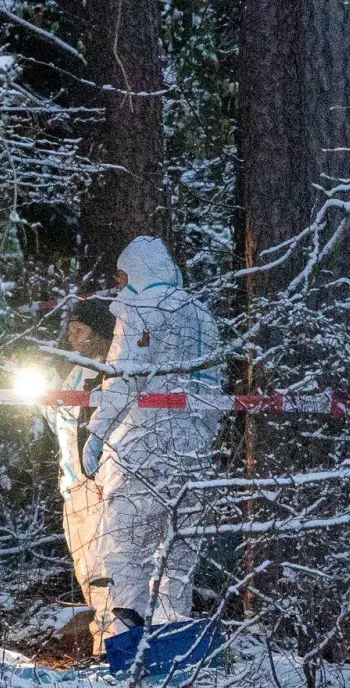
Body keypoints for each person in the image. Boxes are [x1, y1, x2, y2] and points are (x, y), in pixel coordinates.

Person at [86, 236, 223, 650]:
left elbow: (124, 380)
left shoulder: (140, 311)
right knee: (178, 560)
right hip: (194, 452)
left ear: (139, 271)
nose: (120, 284)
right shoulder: (203, 315)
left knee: (127, 548)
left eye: (124, 274)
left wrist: (96, 433)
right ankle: (175, 652)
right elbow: (215, 390)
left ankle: (132, 652)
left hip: (144, 447)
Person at [50, 298, 117, 653]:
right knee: (86, 570)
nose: (74, 339)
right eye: (70, 331)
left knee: (109, 571)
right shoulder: (74, 372)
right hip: (74, 485)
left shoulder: (114, 373)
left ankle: (111, 649)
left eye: (81, 331)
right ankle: (100, 646)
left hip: (102, 487)